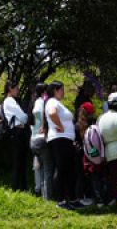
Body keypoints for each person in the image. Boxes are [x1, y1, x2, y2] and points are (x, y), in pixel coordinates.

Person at [45, 80, 81, 209]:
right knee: (61, 169)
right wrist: (60, 126)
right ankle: (60, 200)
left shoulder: (59, 103)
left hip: (66, 140)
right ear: (55, 90)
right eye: (62, 90)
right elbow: (52, 113)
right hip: (58, 139)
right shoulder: (52, 102)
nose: (63, 92)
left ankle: (71, 198)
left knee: (70, 170)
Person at [2, 80, 29, 192]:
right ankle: (16, 187)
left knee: (20, 160)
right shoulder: (9, 100)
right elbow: (23, 117)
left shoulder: (10, 101)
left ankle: (21, 187)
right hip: (17, 132)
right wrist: (25, 117)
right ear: (10, 89)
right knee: (18, 161)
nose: (18, 90)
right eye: (16, 88)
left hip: (17, 132)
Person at [28, 83, 51, 200]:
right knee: (47, 169)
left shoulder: (33, 101)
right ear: (44, 92)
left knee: (39, 168)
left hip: (33, 139)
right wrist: (43, 123)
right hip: (41, 138)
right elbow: (38, 112)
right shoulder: (40, 101)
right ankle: (47, 197)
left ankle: (40, 192)